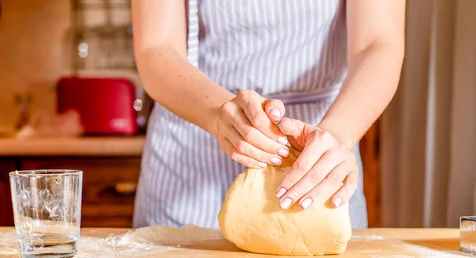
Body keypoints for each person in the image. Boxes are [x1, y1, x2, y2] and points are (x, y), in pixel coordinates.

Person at [131, 0, 405, 230]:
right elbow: (156, 46)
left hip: (321, 156)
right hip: (191, 155)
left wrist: (338, 134)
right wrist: (221, 112)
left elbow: (378, 42)